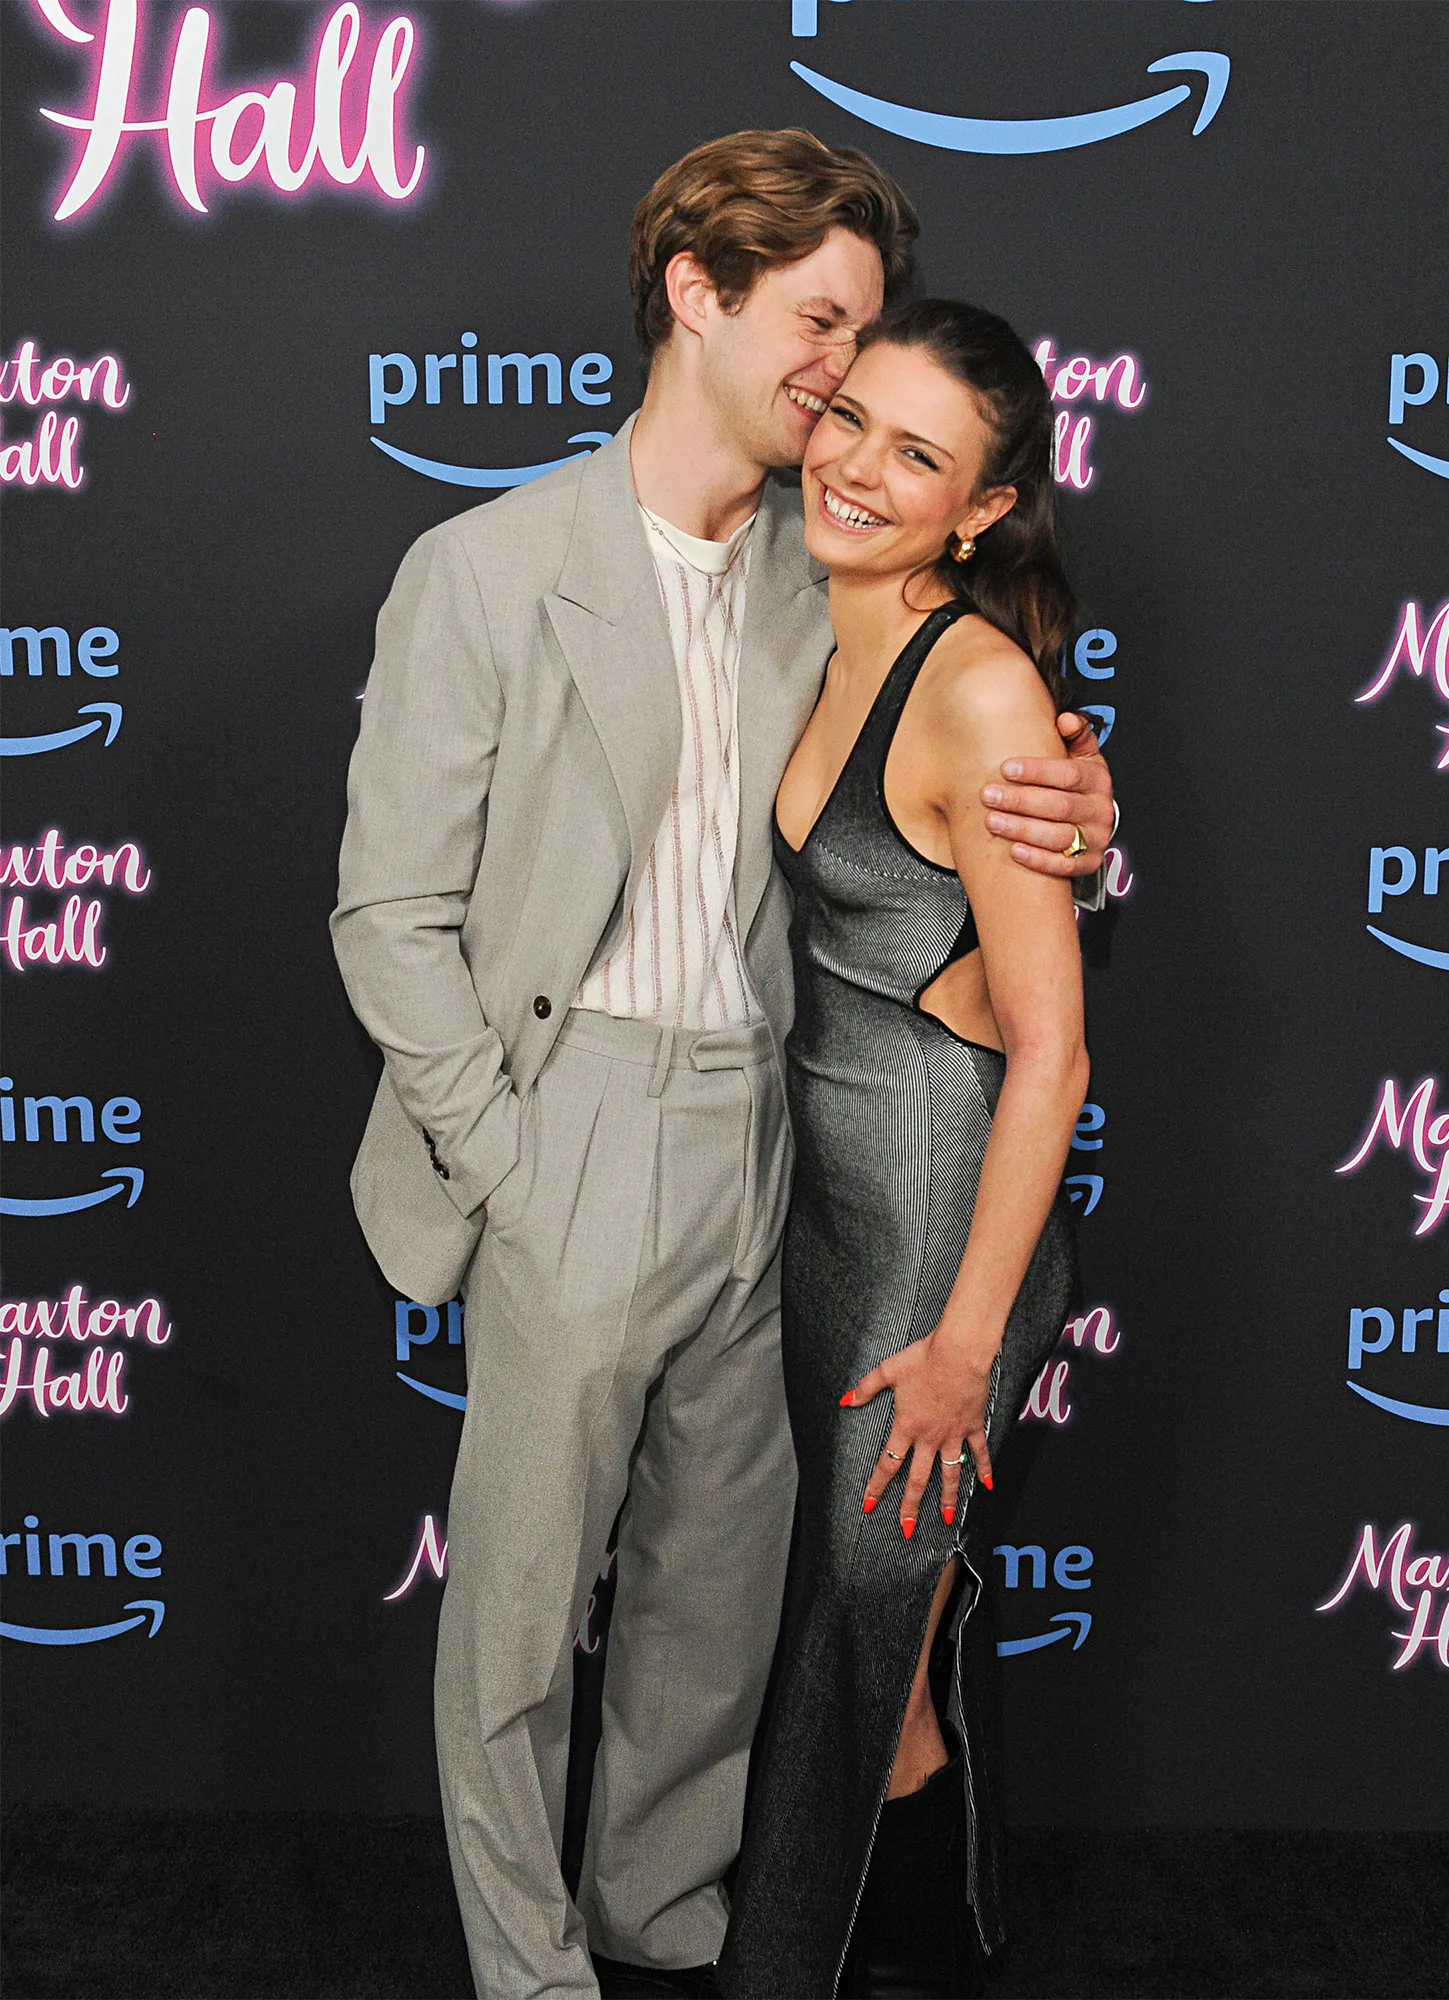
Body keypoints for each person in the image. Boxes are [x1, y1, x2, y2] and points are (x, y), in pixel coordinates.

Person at [332, 133, 1114, 2000]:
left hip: (783, 1137)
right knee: (520, 1613)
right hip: (569, 1124)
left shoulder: (821, 561)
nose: (845, 379)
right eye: (822, 325)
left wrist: (1073, 802)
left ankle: (664, 1928)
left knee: (713, 1594)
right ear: (698, 291)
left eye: (867, 338)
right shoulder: (485, 568)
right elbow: (388, 915)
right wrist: (508, 1166)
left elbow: (958, 741)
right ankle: (530, 1972)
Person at [717, 300, 1091, 2000]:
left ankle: (883, 1966)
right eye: (850, 417)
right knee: (866, 1636)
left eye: (917, 455)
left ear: (983, 508)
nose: (858, 467)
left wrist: (962, 1347)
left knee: (869, 1659)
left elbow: (1052, 1053)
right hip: (833, 1218)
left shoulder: (982, 691)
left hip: (940, 1238)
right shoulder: (811, 617)